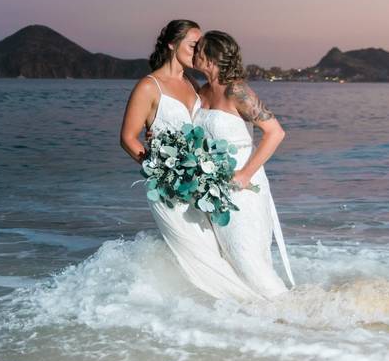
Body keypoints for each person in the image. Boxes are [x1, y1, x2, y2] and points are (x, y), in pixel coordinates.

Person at [120, 20, 262, 301]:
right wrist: (160, 168)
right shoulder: (149, 87)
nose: (199, 50)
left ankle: (237, 310)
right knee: (198, 255)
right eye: (193, 45)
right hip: (168, 189)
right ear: (172, 44)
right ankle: (243, 309)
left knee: (215, 251)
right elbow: (127, 138)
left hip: (200, 188)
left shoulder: (192, 83)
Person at [194, 30, 295, 297]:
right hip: (213, 188)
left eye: (198, 49)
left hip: (242, 187)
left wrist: (245, 174)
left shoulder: (236, 90)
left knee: (246, 256)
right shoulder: (202, 91)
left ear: (210, 57)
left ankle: (293, 316)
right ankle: (253, 322)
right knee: (227, 257)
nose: (194, 54)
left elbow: (275, 132)